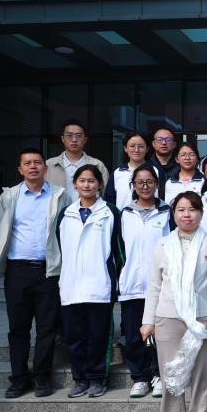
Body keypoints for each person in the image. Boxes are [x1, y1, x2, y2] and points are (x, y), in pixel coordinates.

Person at [140, 191, 207, 412]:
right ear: (173, 214)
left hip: (200, 320)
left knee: (201, 381)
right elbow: (154, 285)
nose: (187, 215)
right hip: (168, 318)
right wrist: (148, 321)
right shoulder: (163, 245)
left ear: (201, 213)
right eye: (181, 210)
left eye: (192, 209)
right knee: (171, 381)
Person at [0, 147, 71, 398]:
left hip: (48, 271)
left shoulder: (60, 196)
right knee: (18, 328)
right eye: (27, 163)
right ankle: (18, 379)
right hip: (17, 271)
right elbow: (1, 229)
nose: (33, 166)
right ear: (20, 169)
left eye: (37, 162)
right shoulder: (9, 197)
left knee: (47, 328)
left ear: (45, 167)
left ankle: (41, 377)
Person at [57, 164, 124, 399]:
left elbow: (119, 251)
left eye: (92, 181)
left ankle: (97, 379)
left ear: (100, 185)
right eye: (82, 180)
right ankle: (80, 379)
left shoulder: (110, 212)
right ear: (75, 184)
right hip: (71, 285)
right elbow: (61, 247)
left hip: (99, 285)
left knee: (98, 336)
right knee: (74, 337)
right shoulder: (65, 214)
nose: (87, 185)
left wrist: (114, 280)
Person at [117, 165, 170, 399]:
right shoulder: (123, 214)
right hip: (131, 284)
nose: (145, 186)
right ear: (133, 186)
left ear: (157, 185)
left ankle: (159, 375)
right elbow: (117, 248)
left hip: (161, 285)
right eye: (140, 182)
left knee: (161, 334)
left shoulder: (167, 212)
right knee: (133, 334)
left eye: (150, 182)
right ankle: (139, 377)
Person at [45, 119, 109, 200]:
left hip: (89, 208)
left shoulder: (98, 165)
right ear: (63, 139)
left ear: (85, 140)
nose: (74, 139)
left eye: (78, 135)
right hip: (56, 208)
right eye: (69, 135)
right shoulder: (49, 165)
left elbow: (105, 195)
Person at [105, 132, 155, 210]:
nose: (136, 150)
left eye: (141, 146)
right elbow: (109, 201)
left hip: (152, 216)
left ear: (147, 149)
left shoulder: (156, 171)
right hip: (123, 217)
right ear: (125, 148)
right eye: (132, 146)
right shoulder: (117, 173)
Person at [163, 142, 204, 207]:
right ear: (177, 159)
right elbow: (168, 206)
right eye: (183, 155)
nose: (187, 158)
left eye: (191, 154)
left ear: (197, 158)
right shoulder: (169, 182)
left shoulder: (204, 181)